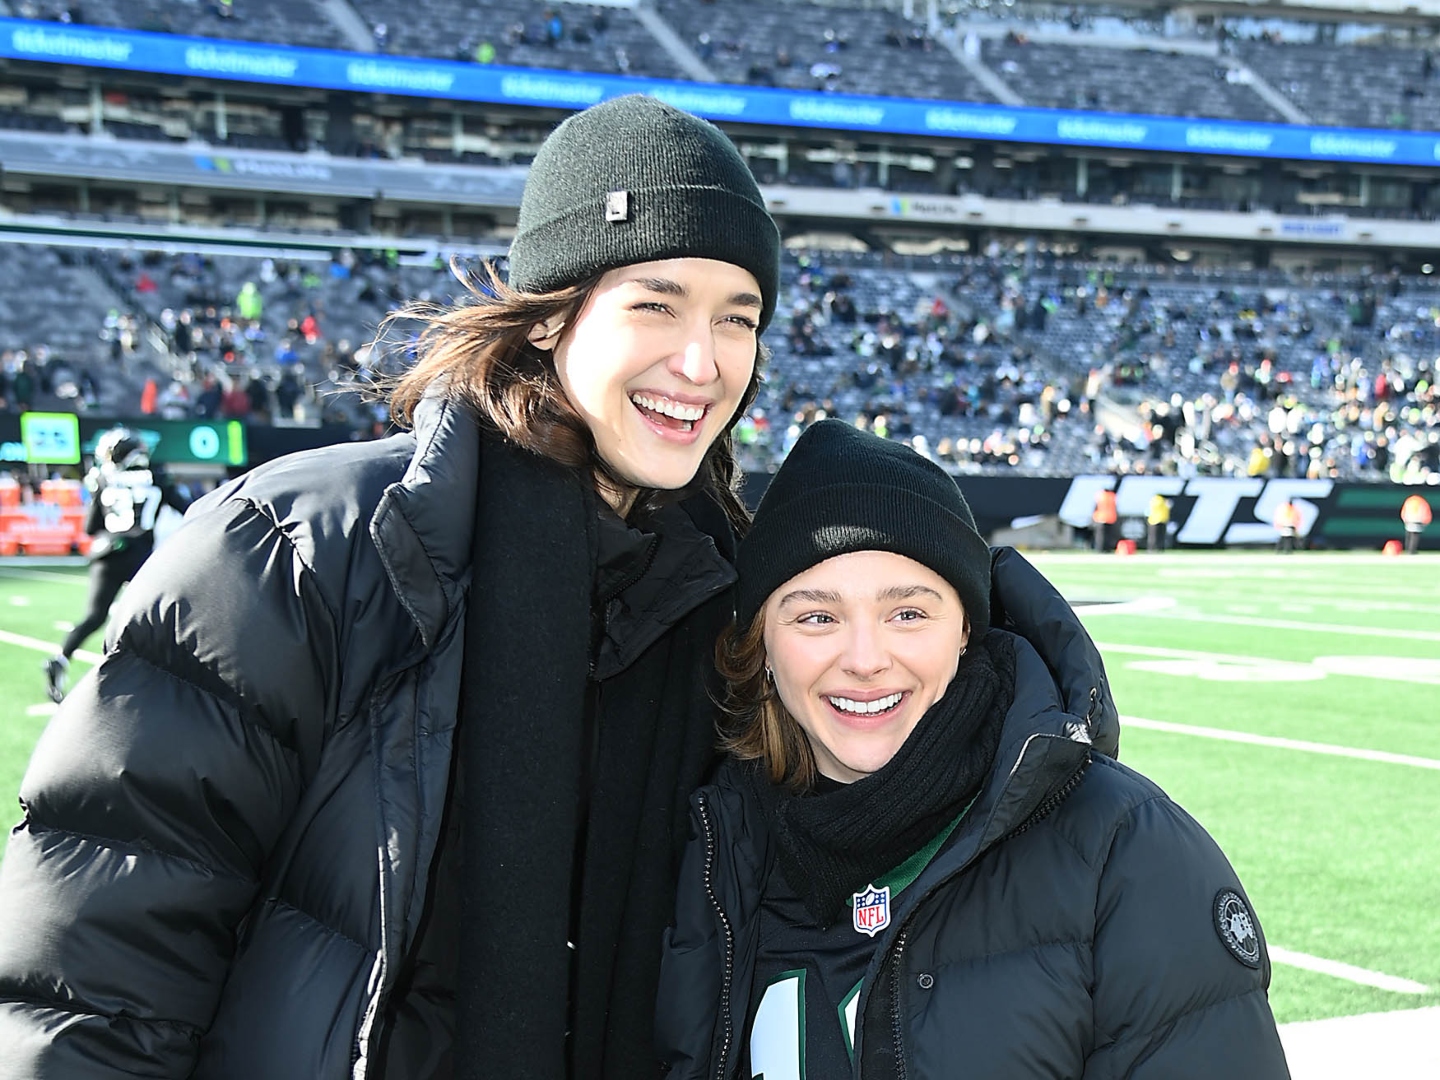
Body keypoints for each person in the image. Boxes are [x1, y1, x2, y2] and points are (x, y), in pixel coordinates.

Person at [0, 95, 782, 1080]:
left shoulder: (729, 599)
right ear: (548, 318)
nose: (702, 362)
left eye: (738, 319)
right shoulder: (297, 550)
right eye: (655, 304)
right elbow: (92, 976)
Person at [657, 420, 1290, 1080]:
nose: (866, 660)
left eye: (908, 613)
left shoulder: (1125, 852)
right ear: (761, 647)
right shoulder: (722, 849)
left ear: (965, 628)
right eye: (817, 616)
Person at [43, 426, 189, 703]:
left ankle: (61, 658)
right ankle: (167, 678)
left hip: (106, 555)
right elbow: (186, 508)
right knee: (162, 618)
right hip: (141, 558)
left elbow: (90, 527)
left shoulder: (103, 480)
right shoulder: (155, 477)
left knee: (94, 616)